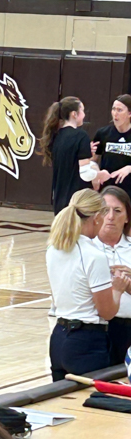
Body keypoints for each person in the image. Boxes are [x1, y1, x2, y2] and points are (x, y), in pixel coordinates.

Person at [46, 188, 129, 381]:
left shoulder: (54, 247)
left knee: (61, 403)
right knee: (91, 405)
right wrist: (117, 288)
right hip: (85, 342)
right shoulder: (94, 256)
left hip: (58, 337)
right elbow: (106, 312)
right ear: (96, 218)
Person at [37, 97, 98, 214]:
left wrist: (86, 151)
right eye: (83, 111)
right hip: (77, 202)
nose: (84, 115)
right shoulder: (81, 135)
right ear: (74, 114)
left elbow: (71, 160)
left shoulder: (56, 136)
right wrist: (100, 174)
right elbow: (86, 174)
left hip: (59, 201)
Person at [95, 185, 131, 364]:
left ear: (127, 217)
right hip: (97, 329)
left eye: (117, 211)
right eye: (105, 210)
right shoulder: (86, 248)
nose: (110, 217)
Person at [92, 94, 131, 199]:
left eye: (119, 110)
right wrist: (96, 172)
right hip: (107, 189)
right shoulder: (103, 133)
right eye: (113, 109)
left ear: (129, 113)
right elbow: (93, 160)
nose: (115, 114)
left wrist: (129, 168)